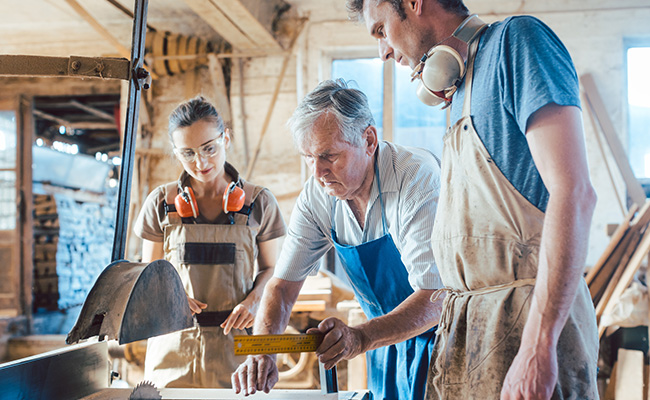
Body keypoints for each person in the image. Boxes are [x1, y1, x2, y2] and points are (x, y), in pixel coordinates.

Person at [346, 0, 599, 399]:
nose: (383, 52)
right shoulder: (459, 88)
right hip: (471, 332)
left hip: (525, 327)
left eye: (381, 30)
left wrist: (538, 347)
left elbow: (575, 194)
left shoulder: (517, 44)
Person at [231, 79, 443, 400]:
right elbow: (282, 287)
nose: (318, 172)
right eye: (309, 157)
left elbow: (436, 296)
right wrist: (263, 350)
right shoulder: (319, 194)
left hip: (442, 338)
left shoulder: (416, 179)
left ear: (368, 140)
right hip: (385, 344)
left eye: (329, 155)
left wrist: (359, 339)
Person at [133, 96, 286, 388]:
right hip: (173, 348)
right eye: (187, 153)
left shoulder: (258, 202)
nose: (200, 162)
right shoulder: (160, 204)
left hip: (238, 351)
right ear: (175, 153)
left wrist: (254, 302)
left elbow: (272, 270)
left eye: (209, 149)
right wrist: (171, 294)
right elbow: (147, 272)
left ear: (225, 138)